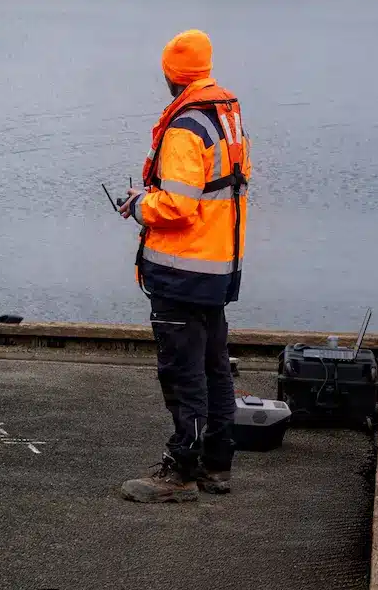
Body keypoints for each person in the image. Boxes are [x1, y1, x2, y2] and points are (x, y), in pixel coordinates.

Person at [117, 29, 251, 503]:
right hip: (217, 268)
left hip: (181, 270)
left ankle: (182, 472)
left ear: (171, 74)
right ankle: (217, 463)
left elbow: (176, 206)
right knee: (215, 367)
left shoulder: (185, 128)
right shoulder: (226, 118)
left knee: (182, 371)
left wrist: (137, 204)